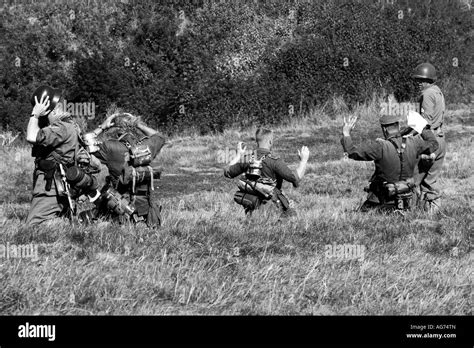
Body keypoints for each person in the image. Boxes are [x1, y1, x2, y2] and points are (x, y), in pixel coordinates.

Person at [25, 86, 97, 226]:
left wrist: (34, 115)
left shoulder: (61, 127)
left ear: (52, 109)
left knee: (34, 225)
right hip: (57, 184)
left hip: (50, 186)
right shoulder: (69, 125)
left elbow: (31, 136)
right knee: (55, 216)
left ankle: (72, 224)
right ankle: (69, 222)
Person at [80, 112, 165, 228]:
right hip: (145, 208)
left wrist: (103, 127)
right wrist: (139, 125)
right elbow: (159, 137)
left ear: (115, 129)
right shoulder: (147, 146)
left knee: (85, 218)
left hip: (121, 207)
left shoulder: (110, 147)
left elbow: (84, 142)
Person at [341, 114, 438, 212]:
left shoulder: (380, 147)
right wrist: (424, 128)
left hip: (381, 202)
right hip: (407, 202)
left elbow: (352, 152)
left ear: (384, 129)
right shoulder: (414, 143)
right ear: (399, 126)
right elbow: (434, 144)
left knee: (359, 213)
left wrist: (346, 133)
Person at [223, 128, 309, 218]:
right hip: (273, 212)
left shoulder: (247, 159)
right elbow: (295, 178)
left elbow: (227, 172)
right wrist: (304, 160)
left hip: (251, 210)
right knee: (293, 214)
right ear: (270, 142)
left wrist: (238, 155)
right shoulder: (275, 161)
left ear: (257, 141)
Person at [412, 62, 447, 213]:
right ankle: (434, 212)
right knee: (431, 179)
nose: (418, 84)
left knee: (413, 178)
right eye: (417, 80)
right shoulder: (437, 91)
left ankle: (411, 211)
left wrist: (408, 132)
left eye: (421, 80)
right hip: (440, 138)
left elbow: (424, 121)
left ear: (429, 80)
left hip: (429, 140)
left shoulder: (426, 94)